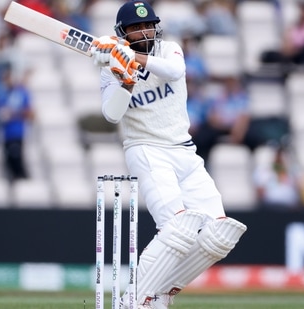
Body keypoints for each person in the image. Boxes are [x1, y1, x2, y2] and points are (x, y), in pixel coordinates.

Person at [90, 1, 247, 307]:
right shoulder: (111, 67)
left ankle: (159, 294)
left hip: (185, 152)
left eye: (148, 24)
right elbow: (111, 115)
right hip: (147, 149)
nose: (144, 30)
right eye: (136, 28)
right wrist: (125, 78)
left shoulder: (169, 50)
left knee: (219, 234)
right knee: (177, 229)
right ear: (123, 32)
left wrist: (132, 57)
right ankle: (131, 301)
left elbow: (175, 71)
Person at [192, 75, 251, 168]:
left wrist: (234, 131)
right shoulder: (218, 97)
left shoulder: (242, 98)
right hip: (219, 128)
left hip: (235, 129)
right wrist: (224, 124)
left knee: (250, 134)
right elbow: (212, 118)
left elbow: (244, 118)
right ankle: (202, 164)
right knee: (202, 137)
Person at [0, 66, 34, 181]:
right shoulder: (1, 95)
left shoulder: (21, 93)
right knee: (9, 161)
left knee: (17, 159)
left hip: (17, 132)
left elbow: (30, 113)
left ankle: (23, 181)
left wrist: (13, 114)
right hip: (6, 134)